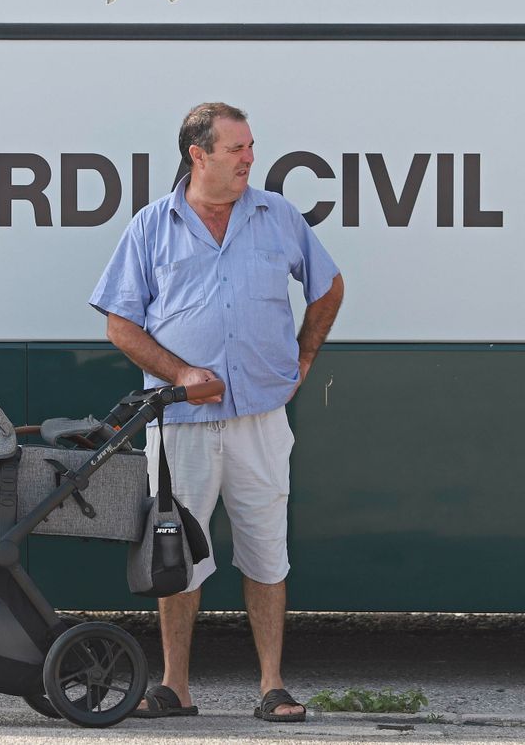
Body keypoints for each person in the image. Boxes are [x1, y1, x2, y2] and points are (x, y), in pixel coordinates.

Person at [90, 102, 345, 723]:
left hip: (260, 420)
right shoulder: (151, 227)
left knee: (266, 552)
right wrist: (179, 375)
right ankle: (175, 687)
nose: (250, 159)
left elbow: (329, 286)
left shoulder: (278, 216)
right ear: (197, 155)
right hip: (181, 426)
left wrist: (304, 358)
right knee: (177, 555)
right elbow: (119, 323)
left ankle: (273, 687)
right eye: (236, 149)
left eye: (251, 146)